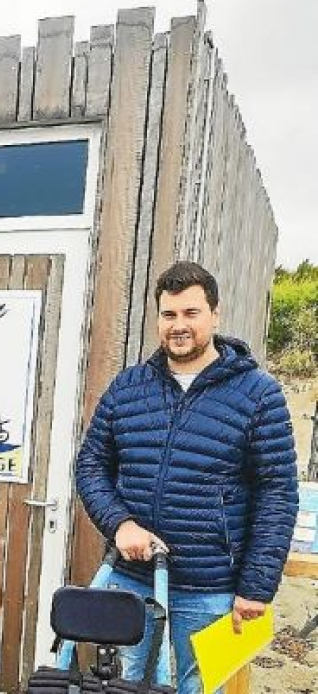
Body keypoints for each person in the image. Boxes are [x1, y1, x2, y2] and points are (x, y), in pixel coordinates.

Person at [75, 261, 299, 694]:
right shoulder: (128, 387)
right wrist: (120, 524)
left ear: (215, 315)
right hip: (131, 580)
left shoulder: (258, 394)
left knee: (198, 688)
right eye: (168, 314)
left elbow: (278, 494)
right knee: (125, 685)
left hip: (212, 590)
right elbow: (90, 466)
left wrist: (256, 587)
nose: (178, 326)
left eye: (190, 313)